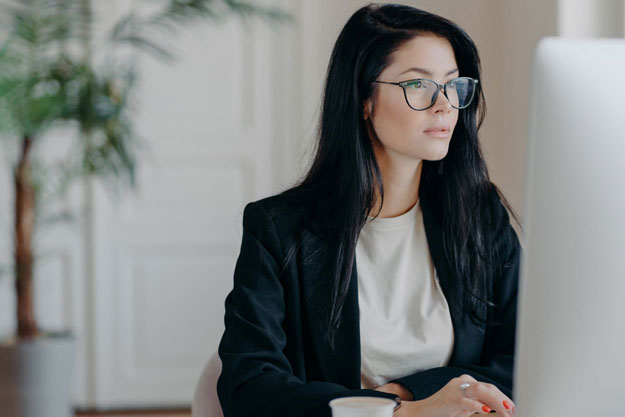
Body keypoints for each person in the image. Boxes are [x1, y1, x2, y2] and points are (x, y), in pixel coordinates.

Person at [216, 3, 521, 417]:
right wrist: (399, 413)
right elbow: (248, 385)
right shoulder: (279, 229)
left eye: (453, 85)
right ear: (364, 100)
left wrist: (409, 392)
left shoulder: (481, 215)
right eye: (418, 85)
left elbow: (521, 359)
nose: (446, 104)